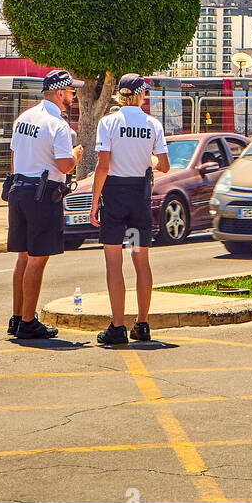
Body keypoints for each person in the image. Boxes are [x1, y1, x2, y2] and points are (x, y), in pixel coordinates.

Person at [90, 73, 170, 346]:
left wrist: (93, 204)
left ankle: (117, 326)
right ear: (142, 95)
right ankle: (143, 323)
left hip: (114, 196)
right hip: (139, 197)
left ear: (119, 95)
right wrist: (144, 158)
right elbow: (165, 165)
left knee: (114, 263)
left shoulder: (108, 123)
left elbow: (103, 165)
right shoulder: (152, 124)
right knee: (140, 260)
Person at [6, 69, 84, 342]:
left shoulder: (25, 117)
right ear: (60, 93)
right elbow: (63, 165)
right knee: (37, 260)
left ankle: (17, 317)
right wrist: (75, 156)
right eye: (72, 92)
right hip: (43, 193)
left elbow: (14, 156)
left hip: (19, 189)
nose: (73, 96)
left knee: (23, 258)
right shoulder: (59, 125)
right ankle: (28, 322)